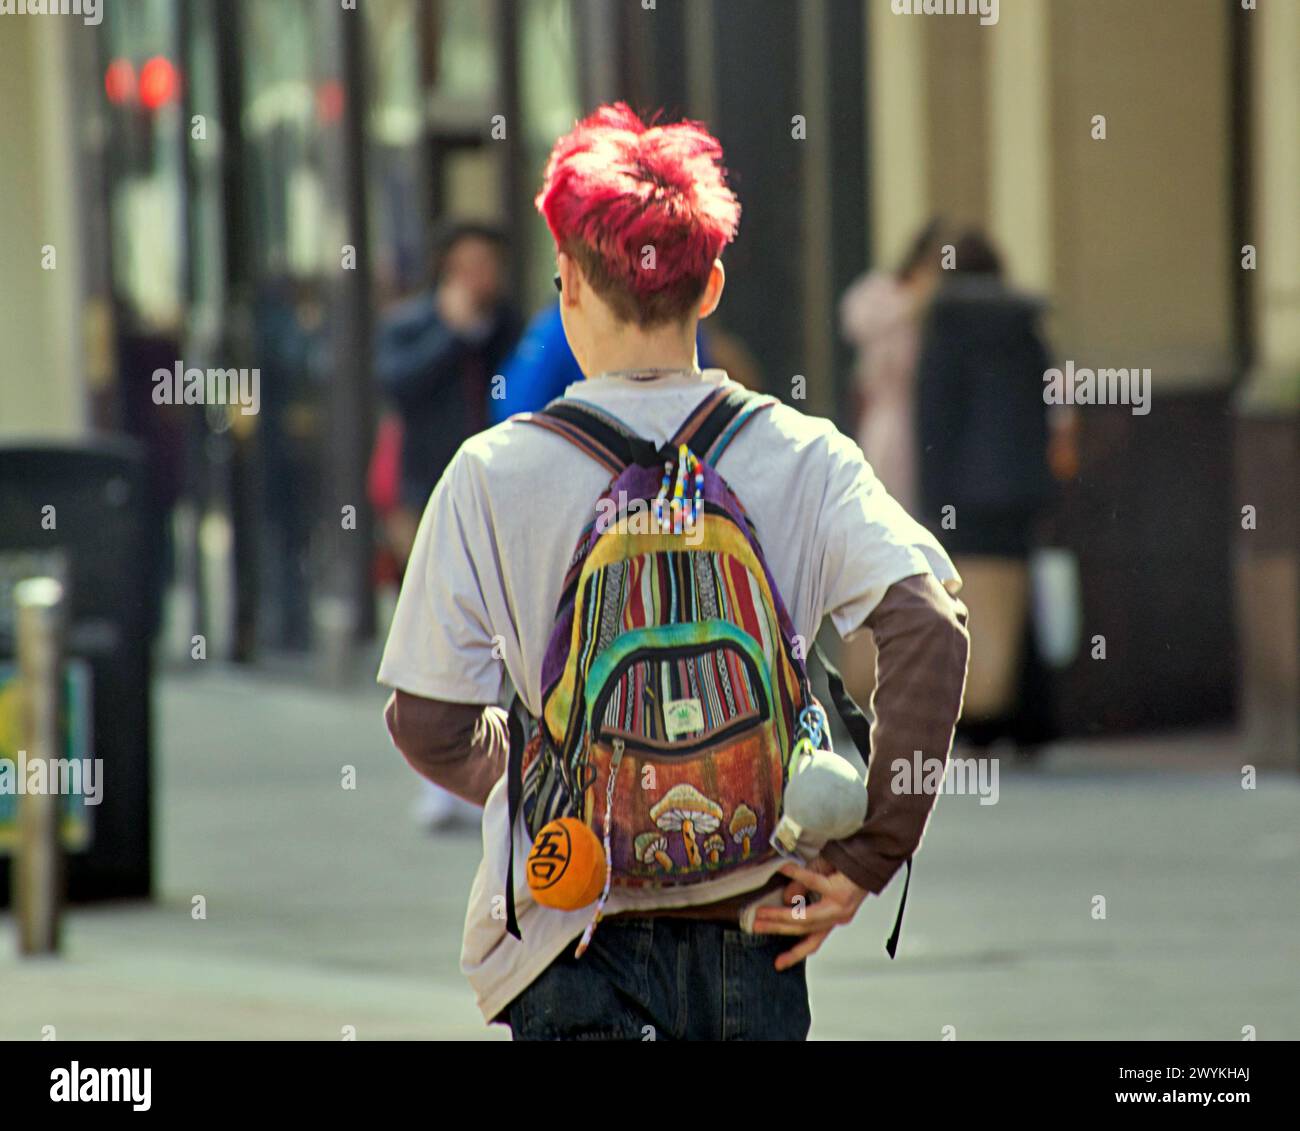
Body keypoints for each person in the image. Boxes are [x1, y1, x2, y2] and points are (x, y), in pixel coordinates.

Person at [378, 104, 969, 1039]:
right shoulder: (804, 454)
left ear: (567, 284)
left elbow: (428, 721)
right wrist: (869, 854)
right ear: (713, 284)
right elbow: (931, 628)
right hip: (757, 936)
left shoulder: (491, 477)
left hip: (568, 936)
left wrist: (551, 776)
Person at [914, 231, 1070, 752]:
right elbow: (1047, 405)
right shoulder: (1025, 326)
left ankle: (979, 719)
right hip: (1019, 489)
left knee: (967, 602)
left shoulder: (945, 327)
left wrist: (933, 499)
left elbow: (934, 420)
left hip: (963, 491)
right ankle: (1031, 720)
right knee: (1019, 602)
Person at [836, 219, 947, 706]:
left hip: (924, 428)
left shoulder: (939, 310)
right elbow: (854, 318)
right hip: (888, 426)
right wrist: (917, 299)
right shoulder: (884, 295)